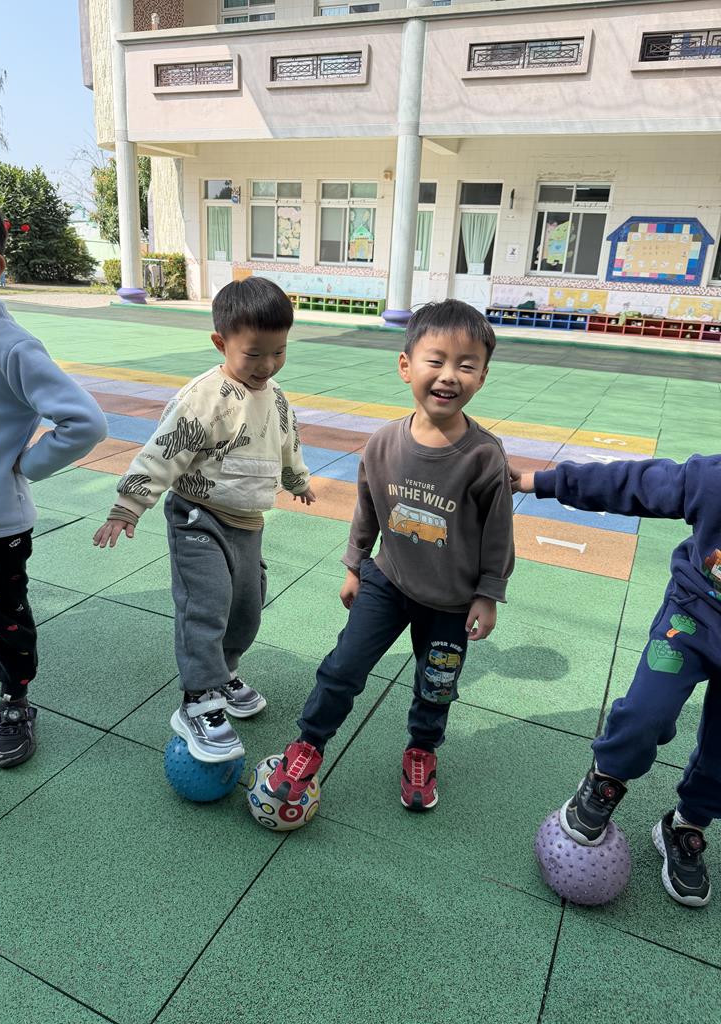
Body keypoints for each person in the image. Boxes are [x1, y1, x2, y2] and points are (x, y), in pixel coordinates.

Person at [267, 300, 514, 811]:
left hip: (452, 601)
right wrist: (354, 566)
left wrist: (488, 594)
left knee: (437, 682)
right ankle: (309, 742)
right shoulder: (382, 444)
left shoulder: (484, 456)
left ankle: (422, 749)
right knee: (343, 666)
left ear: (483, 377)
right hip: (388, 580)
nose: (449, 375)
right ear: (406, 366)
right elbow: (368, 509)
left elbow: (497, 531)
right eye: (436, 360)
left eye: (466, 365)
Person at [93, 277, 314, 763]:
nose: (267, 365)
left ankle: (223, 673)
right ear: (221, 342)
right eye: (254, 354)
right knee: (206, 604)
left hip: (248, 524)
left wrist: (296, 480)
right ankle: (197, 699)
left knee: (246, 608)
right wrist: (129, 504)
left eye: (279, 352)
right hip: (199, 516)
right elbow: (164, 450)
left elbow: (288, 443)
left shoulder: (276, 397)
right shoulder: (204, 398)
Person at [511, 456, 721, 907]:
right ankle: (606, 779)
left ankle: (686, 825)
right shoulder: (712, 479)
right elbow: (633, 483)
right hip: (692, 621)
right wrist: (539, 481)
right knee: (647, 711)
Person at [0, 171, 107, 767]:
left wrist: (25, 467)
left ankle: (15, 700)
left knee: (9, 621)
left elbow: (84, 422)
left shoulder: (9, 346)